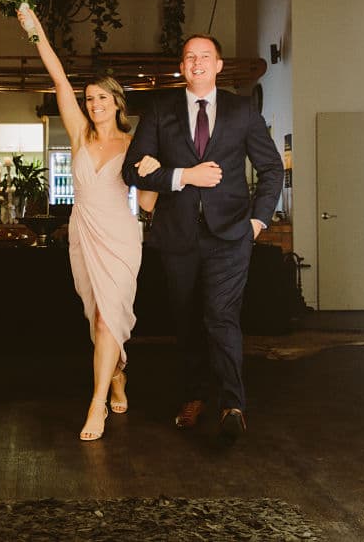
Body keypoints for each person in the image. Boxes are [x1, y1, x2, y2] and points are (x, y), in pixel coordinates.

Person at [122, 34, 284, 444]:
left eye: (205, 57)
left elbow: (271, 169)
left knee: (220, 316)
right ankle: (193, 397)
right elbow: (132, 171)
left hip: (231, 235)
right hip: (177, 236)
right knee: (187, 321)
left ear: (219, 65)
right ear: (182, 65)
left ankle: (233, 404)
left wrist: (258, 222)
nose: (197, 63)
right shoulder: (159, 110)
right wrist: (182, 176)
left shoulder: (242, 110)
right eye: (190, 57)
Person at [18, 6, 159, 442]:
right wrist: (34, 27)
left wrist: (153, 170)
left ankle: (95, 404)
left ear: (118, 102)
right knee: (96, 315)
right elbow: (58, 77)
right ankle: (117, 373)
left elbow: (150, 203)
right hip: (84, 233)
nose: (93, 104)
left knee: (107, 321)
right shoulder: (80, 134)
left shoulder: (135, 143)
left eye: (102, 98)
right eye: (89, 98)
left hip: (121, 235)